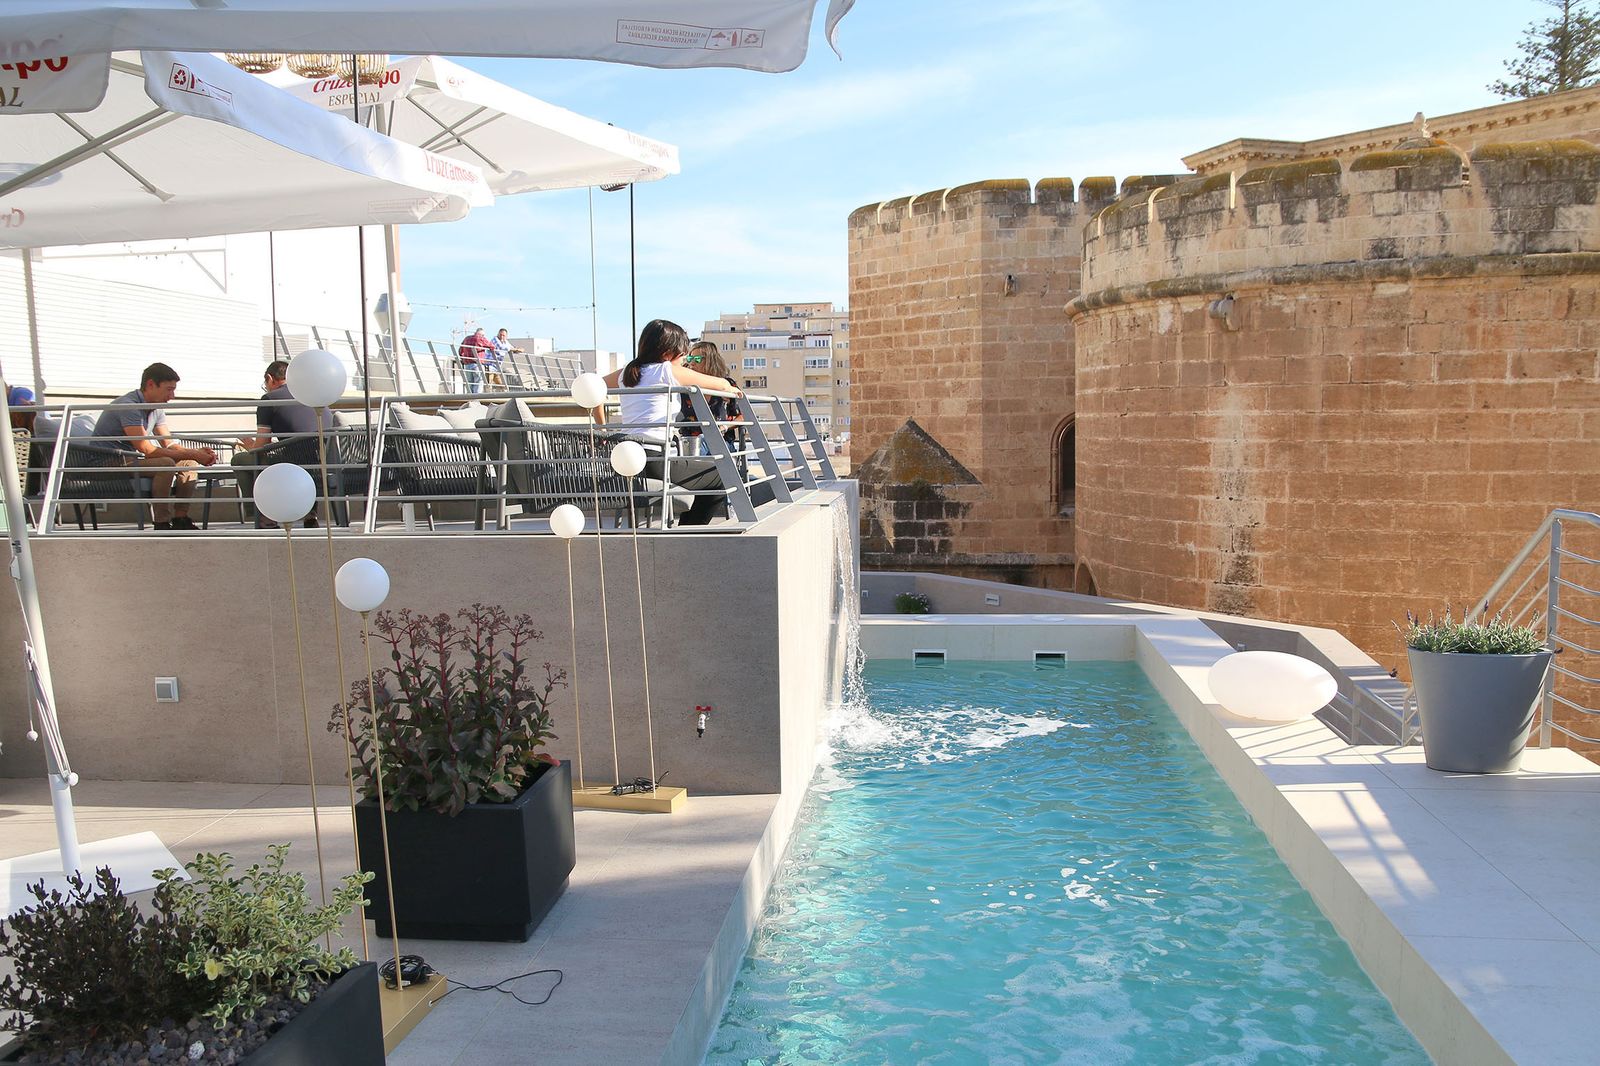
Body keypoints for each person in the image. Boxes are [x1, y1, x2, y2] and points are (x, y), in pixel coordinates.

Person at [598, 319, 773, 526]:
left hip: (627, 458)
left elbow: (593, 387)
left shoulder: (627, 372)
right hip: (654, 461)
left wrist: (603, 429)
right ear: (667, 352)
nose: (685, 360)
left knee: (704, 475)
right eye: (683, 354)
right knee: (723, 474)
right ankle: (690, 531)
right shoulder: (665, 370)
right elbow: (720, 384)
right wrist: (732, 390)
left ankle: (688, 529)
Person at [92, 362, 216, 531]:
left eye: (174, 390)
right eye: (168, 389)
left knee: (188, 463)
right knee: (165, 464)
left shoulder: (156, 408)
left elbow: (169, 443)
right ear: (150, 385)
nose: (172, 396)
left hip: (130, 459)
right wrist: (194, 454)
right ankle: (161, 522)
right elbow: (147, 449)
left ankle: (180, 519)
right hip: (108, 462)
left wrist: (193, 453)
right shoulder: (129, 406)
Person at [235, 360, 332, 527]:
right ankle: (310, 515)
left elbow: (261, 446)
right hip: (325, 462)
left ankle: (263, 517)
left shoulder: (269, 399)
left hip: (293, 464)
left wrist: (250, 446)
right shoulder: (313, 395)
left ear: (269, 378)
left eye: (265, 384)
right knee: (304, 455)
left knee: (240, 460)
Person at [676, 341, 742, 456]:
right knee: (697, 442)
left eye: (697, 359)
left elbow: (743, 416)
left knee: (703, 441)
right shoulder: (685, 388)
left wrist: (724, 427)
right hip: (690, 443)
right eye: (690, 358)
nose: (691, 363)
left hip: (721, 441)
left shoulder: (727, 385)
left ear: (710, 361)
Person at [458, 327, 494, 393]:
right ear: (481, 334)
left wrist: (463, 358)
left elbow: (460, 351)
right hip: (477, 364)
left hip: (467, 364)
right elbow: (491, 346)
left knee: (469, 383)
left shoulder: (466, 338)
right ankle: (476, 397)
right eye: (483, 335)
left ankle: (470, 397)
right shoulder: (480, 338)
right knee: (479, 381)